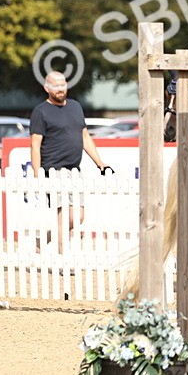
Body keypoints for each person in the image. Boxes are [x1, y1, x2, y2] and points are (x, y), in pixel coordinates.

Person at [30, 71, 111, 255]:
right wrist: (37, 175)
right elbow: (35, 145)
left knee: (77, 218)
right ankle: (63, 259)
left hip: (74, 170)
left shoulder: (75, 107)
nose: (60, 89)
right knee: (65, 216)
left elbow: (85, 137)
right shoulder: (41, 112)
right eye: (56, 85)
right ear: (47, 88)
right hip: (53, 170)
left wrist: (100, 163)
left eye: (63, 84)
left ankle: (42, 241)